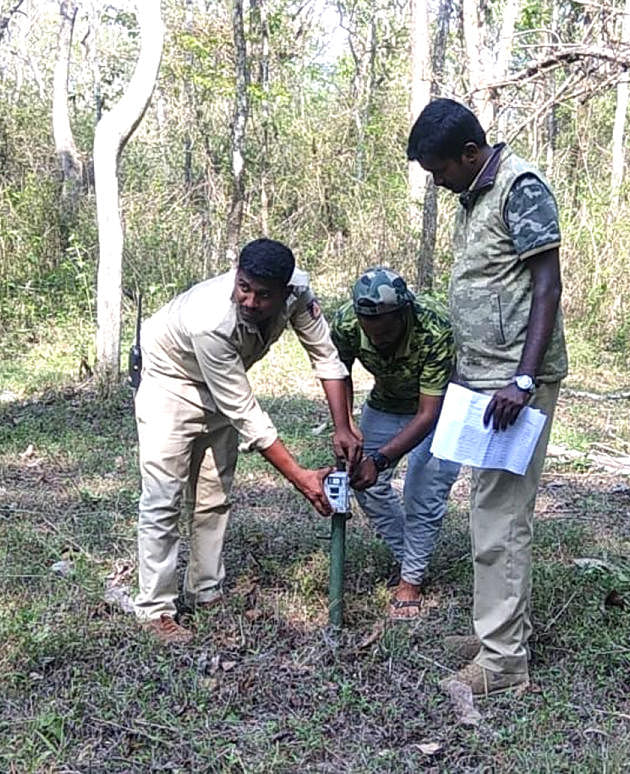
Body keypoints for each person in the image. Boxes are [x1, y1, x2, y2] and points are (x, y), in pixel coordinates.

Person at [407, 98, 568, 695]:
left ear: (471, 155)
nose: (438, 182)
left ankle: (502, 666)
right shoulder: (475, 195)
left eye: (441, 171)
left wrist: (523, 380)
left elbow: (547, 284)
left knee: (500, 517)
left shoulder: (520, 188)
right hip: (483, 379)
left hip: (514, 386)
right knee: (487, 510)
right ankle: (497, 632)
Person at [133, 238, 361, 644]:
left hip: (220, 386)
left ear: (285, 291)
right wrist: (301, 478)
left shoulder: (298, 293)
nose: (251, 301)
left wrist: (343, 425)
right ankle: (155, 610)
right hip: (170, 383)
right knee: (163, 497)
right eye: (244, 287)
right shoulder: (210, 321)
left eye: (263, 295)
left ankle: (205, 591)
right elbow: (247, 415)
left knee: (213, 495)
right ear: (236, 275)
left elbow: (325, 356)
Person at [329, 267, 460, 619]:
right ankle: (411, 556)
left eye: (388, 330)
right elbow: (337, 374)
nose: (380, 339)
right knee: (364, 483)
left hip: (439, 409)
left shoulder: (434, 328)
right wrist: (345, 426)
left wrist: (381, 459)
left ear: (404, 313)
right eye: (372, 332)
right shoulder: (344, 323)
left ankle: (411, 581)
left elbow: (427, 414)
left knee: (423, 489)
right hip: (386, 402)